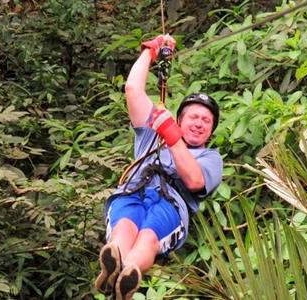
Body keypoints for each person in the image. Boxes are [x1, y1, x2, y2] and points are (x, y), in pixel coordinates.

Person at [94, 34, 223, 300]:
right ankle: (114, 264)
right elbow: (133, 90)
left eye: (206, 121)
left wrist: (172, 136)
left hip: (171, 203)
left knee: (148, 238)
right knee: (124, 228)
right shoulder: (151, 134)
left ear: (210, 132)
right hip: (133, 190)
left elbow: (196, 182)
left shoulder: (210, 157)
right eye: (194, 117)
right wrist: (150, 53)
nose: (199, 123)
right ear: (180, 119)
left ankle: (128, 272)